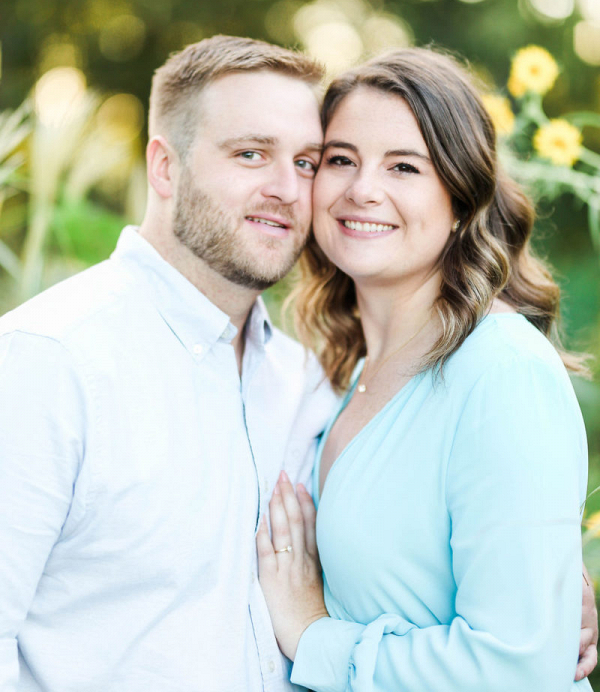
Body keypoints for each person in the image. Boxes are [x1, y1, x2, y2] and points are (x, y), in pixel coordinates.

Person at [0, 35, 337, 692]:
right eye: (251, 154)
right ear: (164, 167)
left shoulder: (308, 383)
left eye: (306, 162)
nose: (286, 189)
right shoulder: (46, 363)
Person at [257, 47, 597, 690]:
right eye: (340, 160)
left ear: (462, 200)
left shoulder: (500, 372)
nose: (363, 189)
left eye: (404, 166)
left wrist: (311, 635)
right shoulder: (347, 374)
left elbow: (514, 667)